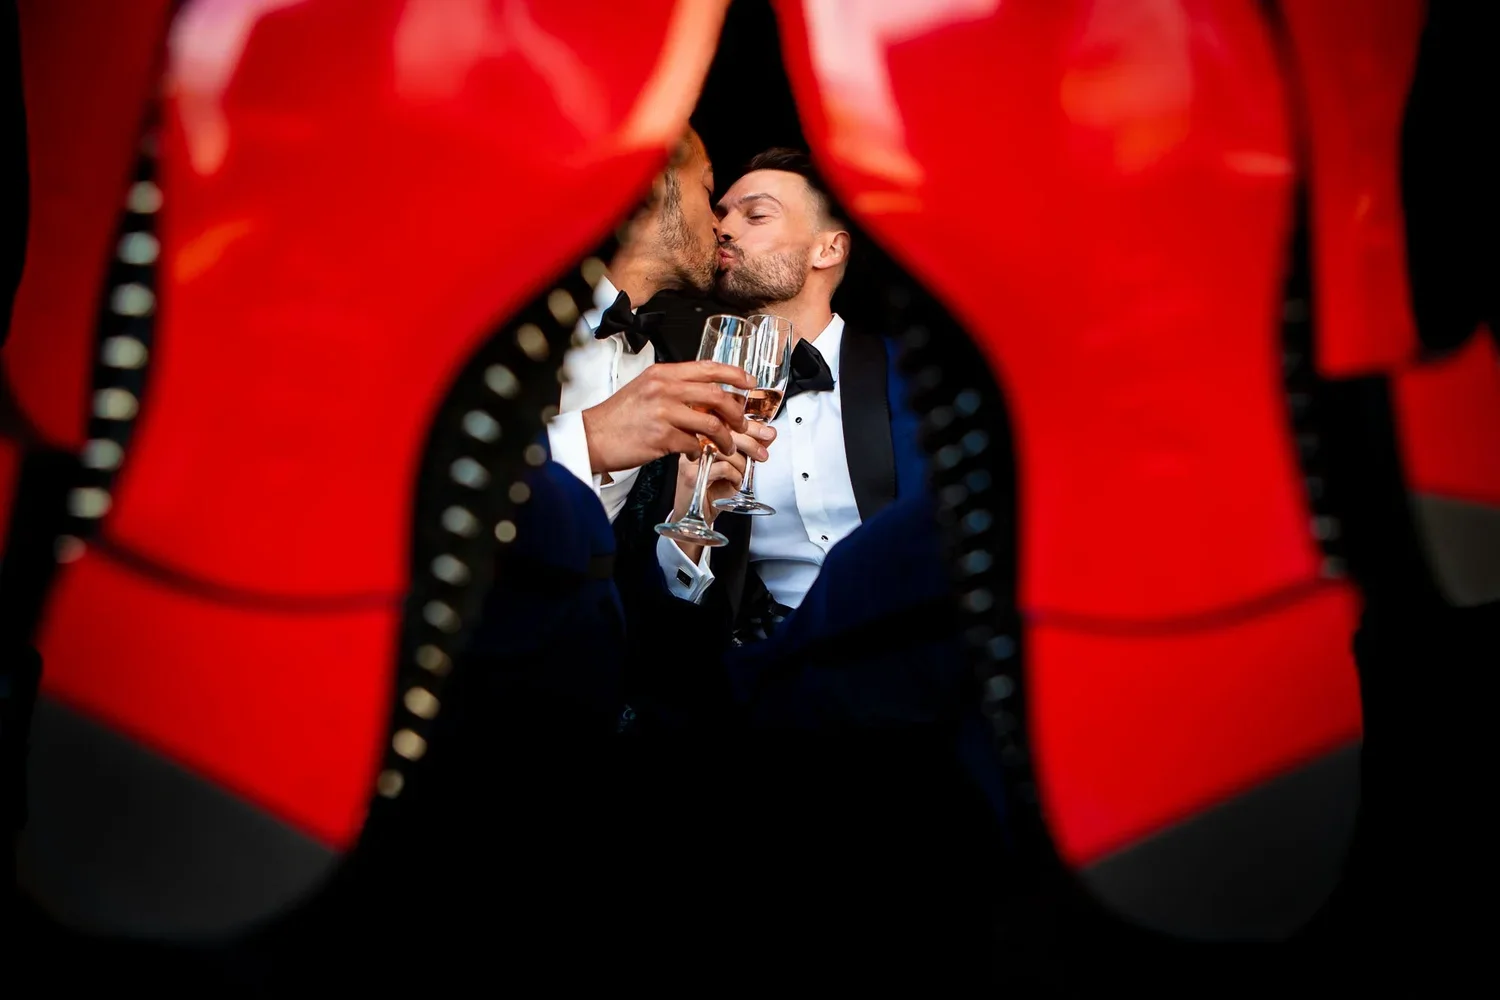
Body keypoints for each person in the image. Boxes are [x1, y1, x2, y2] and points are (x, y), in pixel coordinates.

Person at [543, 127, 773, 523]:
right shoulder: (506, 316)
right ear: (650, 182)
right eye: (706, 192)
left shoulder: (662, 362)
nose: (720, 227)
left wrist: (687, 516)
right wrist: (588, 439)